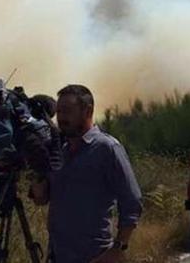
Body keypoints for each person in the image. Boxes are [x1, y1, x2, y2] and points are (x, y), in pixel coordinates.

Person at [31, 85, 143, 263]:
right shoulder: (60, 152)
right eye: (58, 111)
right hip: (58, 256)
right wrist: (36, 169)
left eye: (67, 111)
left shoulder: (106, 148)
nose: (60, 118)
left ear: (88, 111)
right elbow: (42, 199)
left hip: (94, 256)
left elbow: (132, 201)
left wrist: (118, 248)